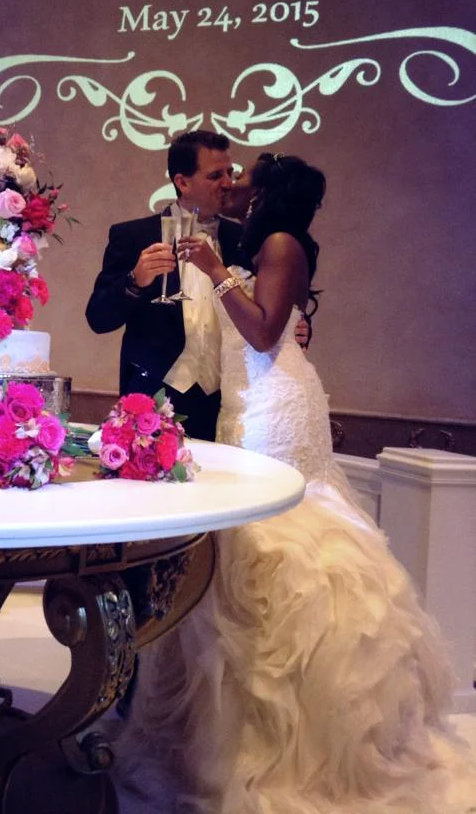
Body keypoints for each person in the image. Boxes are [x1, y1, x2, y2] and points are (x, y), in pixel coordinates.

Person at [114, 153, 471, 814]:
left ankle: (300, 728)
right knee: (244, 547)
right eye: (225, 176)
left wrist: (216, 273)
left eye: (244, 178)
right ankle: (224, 724)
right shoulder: (264, 243)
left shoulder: (277, 243)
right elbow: (270, 320)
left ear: (266, 194)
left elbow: (262, 331)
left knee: (285, 538)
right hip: (243, 401)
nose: (234, 185)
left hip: (274, 406)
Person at [86, 130, 243, 441]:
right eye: (215, 175)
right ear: (182, 182)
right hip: (157, 395)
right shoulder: (134, 236)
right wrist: (134, 282)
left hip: (228, 400)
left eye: (230, 173)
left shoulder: (242, 239)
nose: (228, 183)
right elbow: (98, 318)